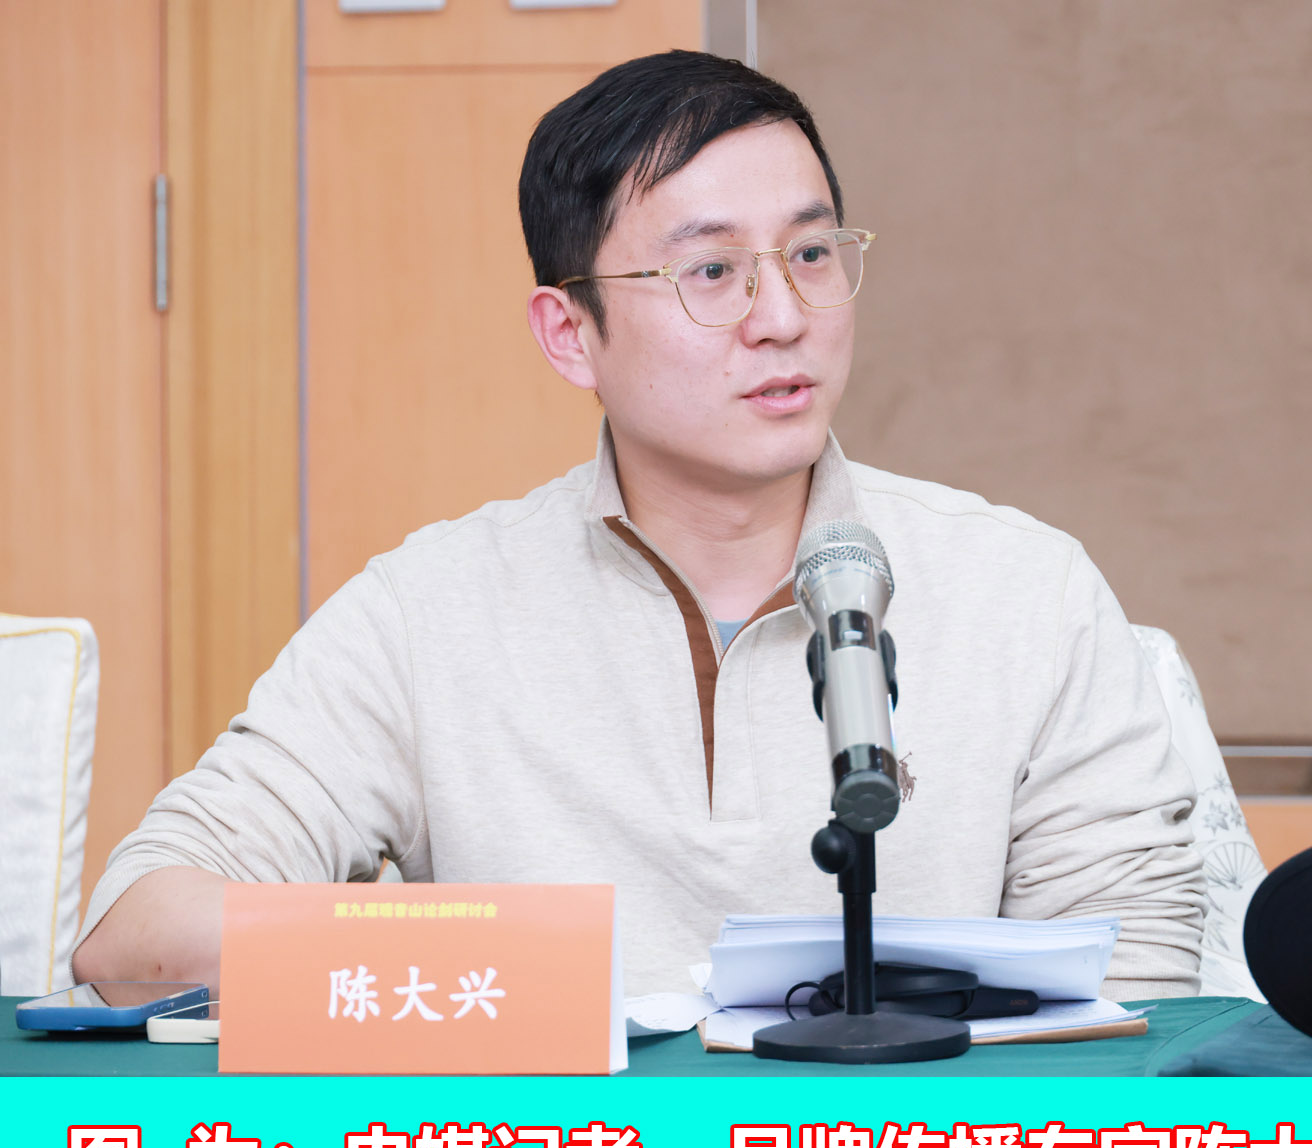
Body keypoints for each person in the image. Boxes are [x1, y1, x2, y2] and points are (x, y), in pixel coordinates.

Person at [72, 50, 1205, 1002]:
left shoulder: (1027, 592)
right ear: (570, 334)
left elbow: (1139, 995)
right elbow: (136, 934)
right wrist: (486, 966)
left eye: (812, 254)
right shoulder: (429, 612)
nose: (782, 316)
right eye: (711, 270)